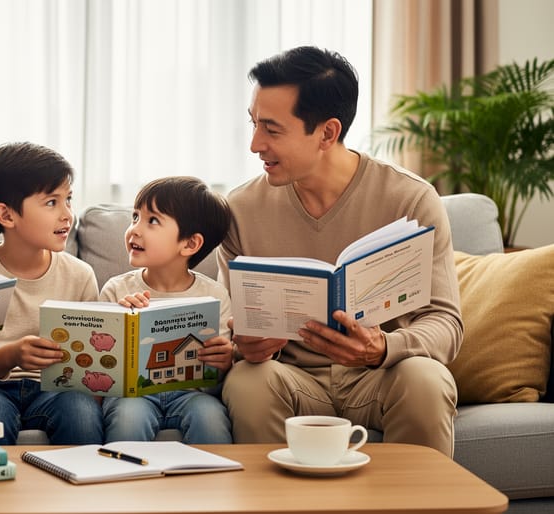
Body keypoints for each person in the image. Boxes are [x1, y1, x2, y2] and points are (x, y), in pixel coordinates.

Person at [218, 46, 463, 456]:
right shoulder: (240, 210)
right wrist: (245, 345)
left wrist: (383, 349)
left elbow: (445, 321)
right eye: (253, 123)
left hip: (381, 376)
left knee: (426, 379)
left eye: (272, 130)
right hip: (291, 380)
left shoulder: (411, 199)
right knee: (247, 381)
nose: (255, 144)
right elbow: (229, 328)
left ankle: (420, 492)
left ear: (327, 133)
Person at [0, 141, 103, 445]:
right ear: (7, 215)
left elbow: (92, 362)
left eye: (68, 199)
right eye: (51, 202)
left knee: (80, 411)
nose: (67, 215)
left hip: (57, 390)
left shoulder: (80, 275)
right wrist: (10, 356)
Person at [99, 176, 234, 444]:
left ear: (190, 244)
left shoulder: (215, 294)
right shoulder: (116, 289)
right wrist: (119, 319)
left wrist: (223, 361)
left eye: (152, 221)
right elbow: (103, 365)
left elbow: (215, 375)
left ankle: (212, 473)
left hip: (193, 395)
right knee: (128, 419)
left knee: (211, 419)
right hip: (132, 395)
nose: (135, 230)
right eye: (135, 217)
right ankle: (123, 470)